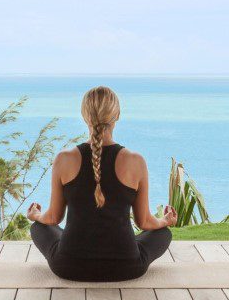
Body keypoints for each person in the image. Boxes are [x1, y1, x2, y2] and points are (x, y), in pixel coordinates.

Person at [27, 86, 176, 282]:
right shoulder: (135, 161)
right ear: (118, 115)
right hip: (127, 266)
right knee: (163, 234)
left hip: (69, 266)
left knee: (38, 228)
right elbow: (145, 222)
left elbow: (53, 217)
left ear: (84, 116)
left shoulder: (64, 159)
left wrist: (35, 215)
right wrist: (165, 221)